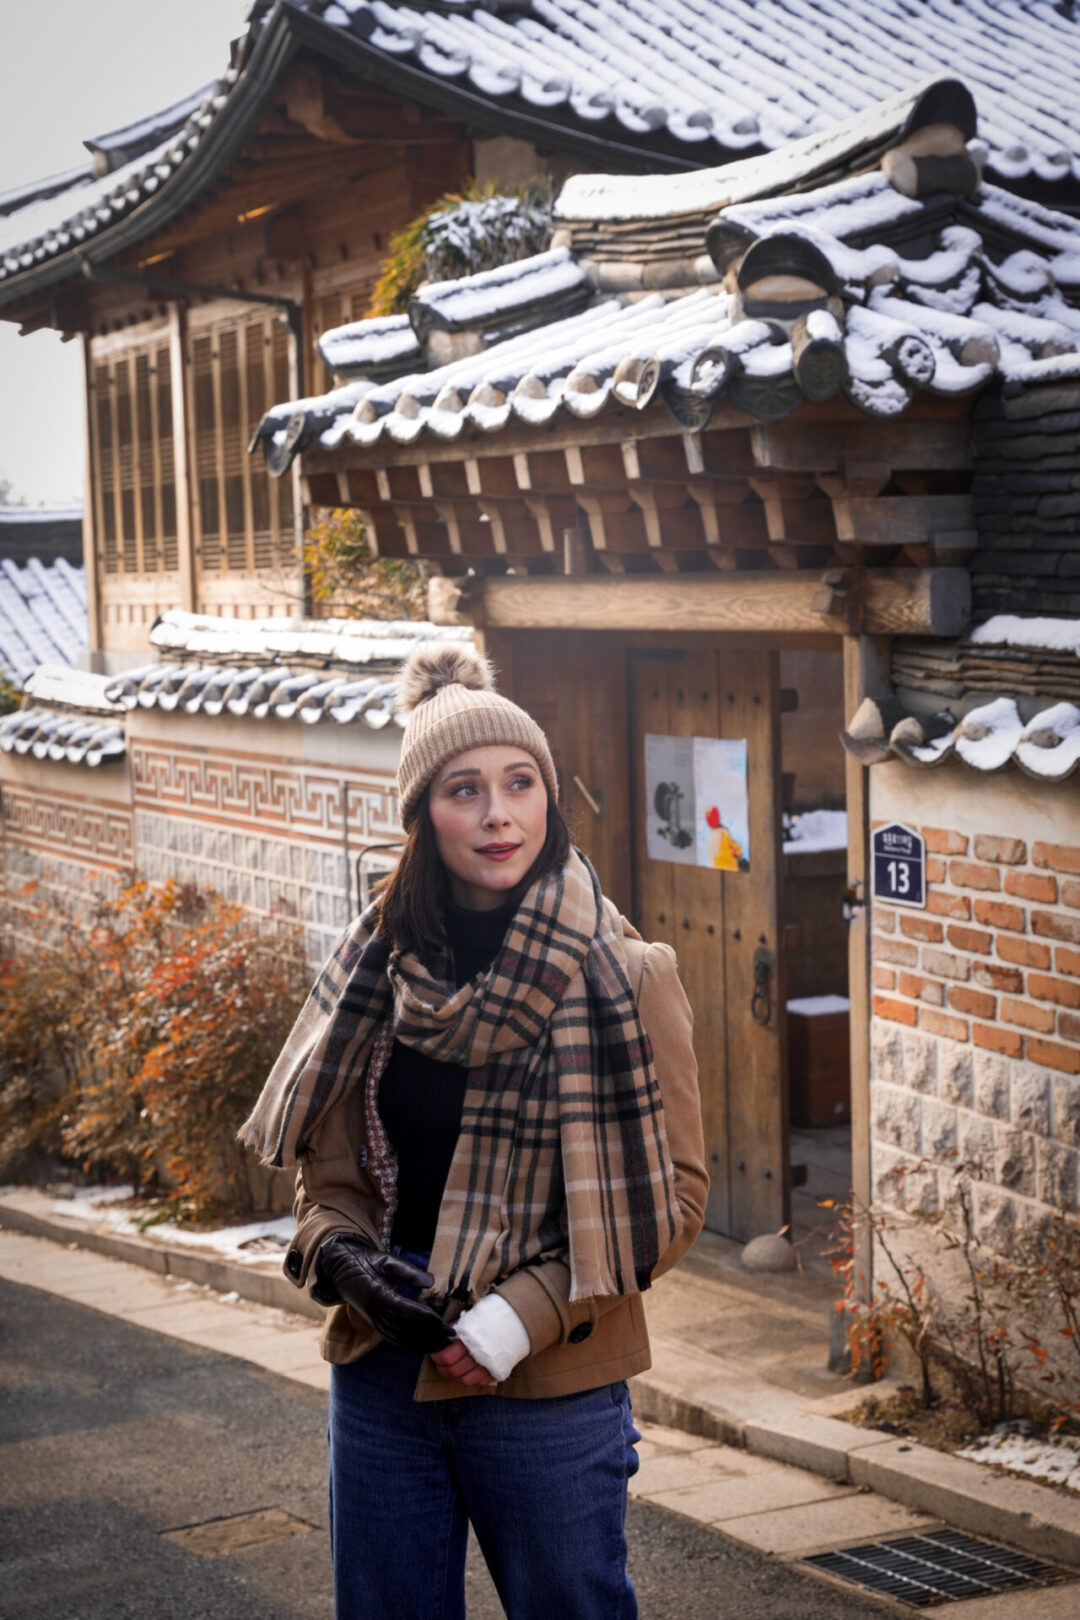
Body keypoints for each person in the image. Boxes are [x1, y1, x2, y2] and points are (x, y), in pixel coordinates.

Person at [241, 643, 707, 1620]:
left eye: (520, 783)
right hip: (382, 1359)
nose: (498, 814)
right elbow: (329, 1175)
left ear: (549, 798)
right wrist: (343, 1261)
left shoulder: (626, 974)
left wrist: (511, 1321)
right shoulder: (377, 964)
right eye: (463, 790)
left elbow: (673, 1200)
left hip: (548, 1383)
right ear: (420, 818)